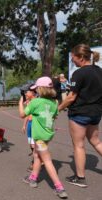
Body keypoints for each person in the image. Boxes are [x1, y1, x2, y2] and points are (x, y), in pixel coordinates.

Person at [58, 44, 102, 188]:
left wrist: (57, 109)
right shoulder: (99, 71)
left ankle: (80, 178)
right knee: (96, 142)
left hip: (80, 114)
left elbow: (71, 98)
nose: (72, 60)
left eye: (73, 58)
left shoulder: (79, 73)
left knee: (79, 145)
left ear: (81, 57)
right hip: (95, 113)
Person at [19, 76, 68, 199]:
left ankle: (59, 188)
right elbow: (54, 116)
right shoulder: (53, 103)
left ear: (40, 89)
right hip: (47, 135)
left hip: (39, 137)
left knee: (46, 160)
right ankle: (33, 178)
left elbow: (22, 114)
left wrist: (21, 102)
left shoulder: (35, 102)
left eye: (37, 89)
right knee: (36, 155)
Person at [21, 84, 37, 172]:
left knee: (34, 144)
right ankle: (36, 156)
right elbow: (26, 115)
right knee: (31, 143)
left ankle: (35, 162)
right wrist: (24, 125)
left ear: (33, 92)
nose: (25, 94)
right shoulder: (29, 102)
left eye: (26, 92)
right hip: (30, 124)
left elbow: (22, 114)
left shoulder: (36, 102)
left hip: (35, 124)